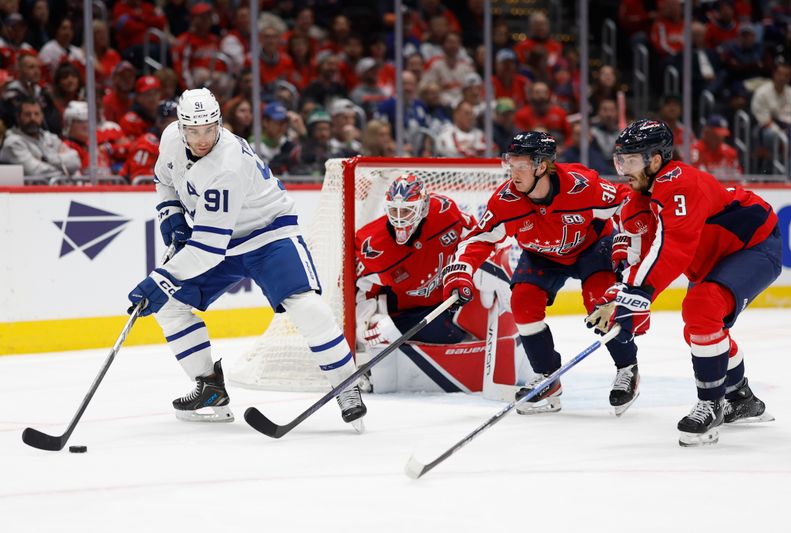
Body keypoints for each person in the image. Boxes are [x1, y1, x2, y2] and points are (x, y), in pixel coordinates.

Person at [126, 88, 367, 429]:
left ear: (219, 124)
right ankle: (209, 388)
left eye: (209, 129)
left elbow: (207, 249)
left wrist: (161, 279)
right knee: (169, 307)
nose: (201, 138)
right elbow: (163, 180)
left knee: (307, 307)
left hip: (268, 234)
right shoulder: (170, 139)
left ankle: (347, 385)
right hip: (220, 239)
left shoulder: (226, 164)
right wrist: (171, 215)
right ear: (180, 127)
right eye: (193, 130)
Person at [587, 119, 779, 447]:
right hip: (712, 261)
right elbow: (638, 258)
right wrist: (618, 298)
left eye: (631, 160)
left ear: (657, 159)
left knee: (701, 307)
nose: (623, 169)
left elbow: (673, 247)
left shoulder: (680, 182)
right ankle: (741, 397)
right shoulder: (635, 203)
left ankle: (711, 404)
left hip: (752, 244)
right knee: (699, 329)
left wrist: (639, 291)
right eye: (621, 161)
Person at [443, 131, 639, 415]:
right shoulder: (505, 201)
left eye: (521, 165)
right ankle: (548, 379)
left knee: (601, 303)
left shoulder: (582, 186)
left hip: (592, 248)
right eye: (511, 164)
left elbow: (628, 202)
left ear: (542, 166)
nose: (513, 173)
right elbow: (478, 239)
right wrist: (461, 273)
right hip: (541, 255)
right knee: (522, 303)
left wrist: (628, 243)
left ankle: (627, 368)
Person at [355, 174, 508, 348]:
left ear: (423, 207)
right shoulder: (372, 246)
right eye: (394, 210)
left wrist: (492, 266)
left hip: (452, 299)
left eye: (406, 210)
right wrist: (364, 322)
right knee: (449, 334)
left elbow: (477, 238)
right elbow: (362, 289)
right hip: (411, 315)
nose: (399, 218)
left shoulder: (444, 212)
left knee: (484, 287)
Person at [0, 96, 80, 179]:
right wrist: (66, 172)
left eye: (36, 114)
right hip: (27, 190)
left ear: (42, 116)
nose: (32, 118)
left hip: (56, 187)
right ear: (18, 118)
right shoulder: (12, 142)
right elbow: (36, 172)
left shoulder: (51, 138)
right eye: (27, 114)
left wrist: (46, 159)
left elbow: (75, 162)